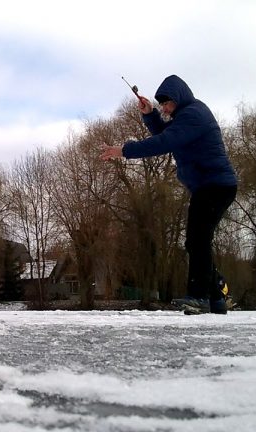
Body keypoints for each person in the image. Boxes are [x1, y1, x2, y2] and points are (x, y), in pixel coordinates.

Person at [100, 75, 237, 314]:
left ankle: (199, 296)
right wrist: (149, 114)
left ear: (179, 98)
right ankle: (217, 297)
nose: (164, 108)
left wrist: (124, 150)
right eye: (161, 104)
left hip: (215, 185)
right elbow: (167, 134)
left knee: (197, 240)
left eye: (166, 104)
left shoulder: (194, 114)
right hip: (209, 186)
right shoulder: (185, 117)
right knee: (197, 241)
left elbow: (165, 141)